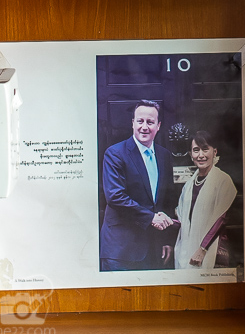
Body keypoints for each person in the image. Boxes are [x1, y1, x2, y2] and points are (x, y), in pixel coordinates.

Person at [100, 100, 180, 271]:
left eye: (150, 122)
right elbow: (115, 197)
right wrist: (151, 218)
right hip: (121, 251)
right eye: (140, 121)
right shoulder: (115, 154)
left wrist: (167, 240)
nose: (144, 127)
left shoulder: (164, 156)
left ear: (158, 126)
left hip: (154, 250)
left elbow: (167, 200)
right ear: (133, 123)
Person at [174, 130, 237, 270]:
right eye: (196, 150)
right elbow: (184, 221)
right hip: (188, 249)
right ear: (191, 155)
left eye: (205, 149)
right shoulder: (188, 185)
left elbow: (221, 219)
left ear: (214, 152)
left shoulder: (223, 180)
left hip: (211, 248)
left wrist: (202, 249)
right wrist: (165, 220)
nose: (201, 155)